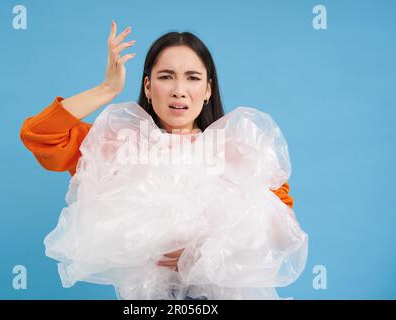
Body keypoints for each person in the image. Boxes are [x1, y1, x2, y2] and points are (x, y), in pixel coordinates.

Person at [20, 20, 305, 300]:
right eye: (166, 76)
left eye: (192, 78)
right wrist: (107, 89)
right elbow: (39, 134)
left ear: (207, 89)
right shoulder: (116, 146)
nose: (179, 89)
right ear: (147, 86)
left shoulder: (237, 150)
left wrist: (208, 252)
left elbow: (282, 230)